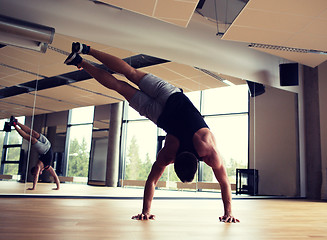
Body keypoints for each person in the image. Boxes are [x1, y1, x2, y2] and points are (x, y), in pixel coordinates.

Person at [64, 42, 239, 223]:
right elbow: (152, 181)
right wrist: (145, 211)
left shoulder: (206, 148)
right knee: (119, 86)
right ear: (175, 162)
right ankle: (80, 61)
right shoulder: (169, 154)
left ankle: (86, 49)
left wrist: (229, 212)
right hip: (159, 115)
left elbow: (224, 183)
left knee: (131, 72)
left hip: (171, 96)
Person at [10, 116, 60, 191]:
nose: (39, 173)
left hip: (44, 149)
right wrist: (58, 187)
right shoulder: (48, 167)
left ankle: (15, 124)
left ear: (36, 171)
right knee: (33, 135)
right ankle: (15, 124)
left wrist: (34, 187)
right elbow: (55, 176)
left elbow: (36, 176)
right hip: (48, 145)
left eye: (36, 172)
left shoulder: (38, 166)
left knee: (31, 137)